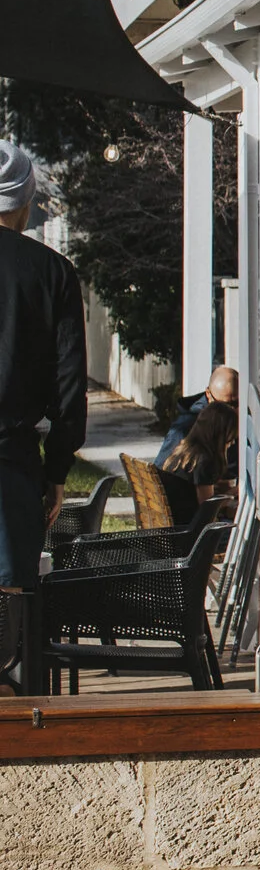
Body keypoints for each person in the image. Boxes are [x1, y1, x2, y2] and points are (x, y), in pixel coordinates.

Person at [0, 143, 85, 597]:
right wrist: (56, 471)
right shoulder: (53, 272)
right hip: (11, 461)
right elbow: (69, 385)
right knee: (12, 600)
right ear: (26, 204)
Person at [154, 364, 239, 470]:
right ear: (208, 394)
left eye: (236, 403)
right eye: (223, 406)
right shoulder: (187, 425)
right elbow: (161, 471)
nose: (231, 411)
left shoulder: (243, 417)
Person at [159, 396, 237, 489]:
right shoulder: (204, 462)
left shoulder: (187, 452)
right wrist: (233, 494)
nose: (232, 442)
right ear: (218, 435)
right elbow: (206, 502)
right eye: (229, 437)